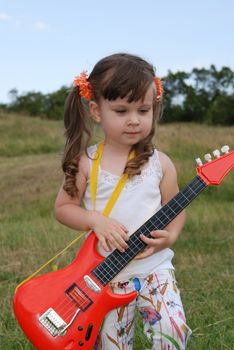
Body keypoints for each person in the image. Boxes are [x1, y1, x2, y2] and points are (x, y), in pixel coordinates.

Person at [54, 53, 192, 349]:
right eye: (121, 110)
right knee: (111, 344)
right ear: (96, 111)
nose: (134, 120)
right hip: (105, 278)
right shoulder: (86, 163)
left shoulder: (160, 163)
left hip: (156, 268)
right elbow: (63, 208)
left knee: (173, 331)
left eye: (143, 110)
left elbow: (176, 206)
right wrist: (95, 219)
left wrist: (171, 236)